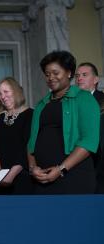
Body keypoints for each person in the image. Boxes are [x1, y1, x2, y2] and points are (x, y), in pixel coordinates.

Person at [27, 50, 99, 194]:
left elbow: (89, 141)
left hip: (74, 176)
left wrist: (61, 169)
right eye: (47, 74)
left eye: (55, 73)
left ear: (69, 73)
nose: (50, 78)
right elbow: (31, 143)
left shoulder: (84, 98)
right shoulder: (42, 104)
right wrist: (33, 168)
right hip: (42, 180)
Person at [0, 77, 33, 194]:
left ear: (16, 91)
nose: (3, 96)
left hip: (22, 177)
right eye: (0, 94)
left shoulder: (30, 115)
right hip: (0, 178)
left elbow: (27, 148)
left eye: (6, 92)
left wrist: (10, 175)